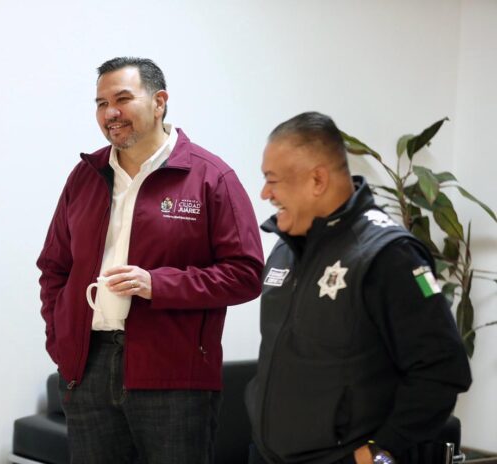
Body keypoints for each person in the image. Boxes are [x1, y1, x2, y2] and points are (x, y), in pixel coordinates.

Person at [37, 56, 264, 464]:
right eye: (101, 103)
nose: (110, 113)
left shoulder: (211, 177)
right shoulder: (85, 176)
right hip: (87, 369)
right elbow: (54, 267)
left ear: (159, 102)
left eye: (122, 99)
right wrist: (60, 339)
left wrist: (158, 284)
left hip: (175, 375)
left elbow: (245, 274)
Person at [245, 111, 472, 464]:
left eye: (272, 180)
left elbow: (442, 370)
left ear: (317, 179)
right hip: (268, 455)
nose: (264, 193)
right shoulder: (286, 247)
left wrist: (381, 451)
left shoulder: (389, 255)